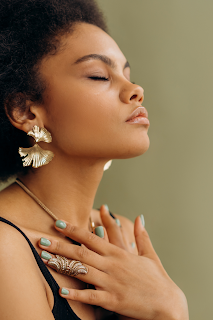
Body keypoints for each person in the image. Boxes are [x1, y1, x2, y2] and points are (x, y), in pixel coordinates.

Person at [0, 0, 189, 319]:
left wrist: (170, 304)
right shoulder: (5, 248)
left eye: (127, 74)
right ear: (26, 111)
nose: (135, 90)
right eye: (99, 76)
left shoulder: (123, 235)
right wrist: (170, 310)